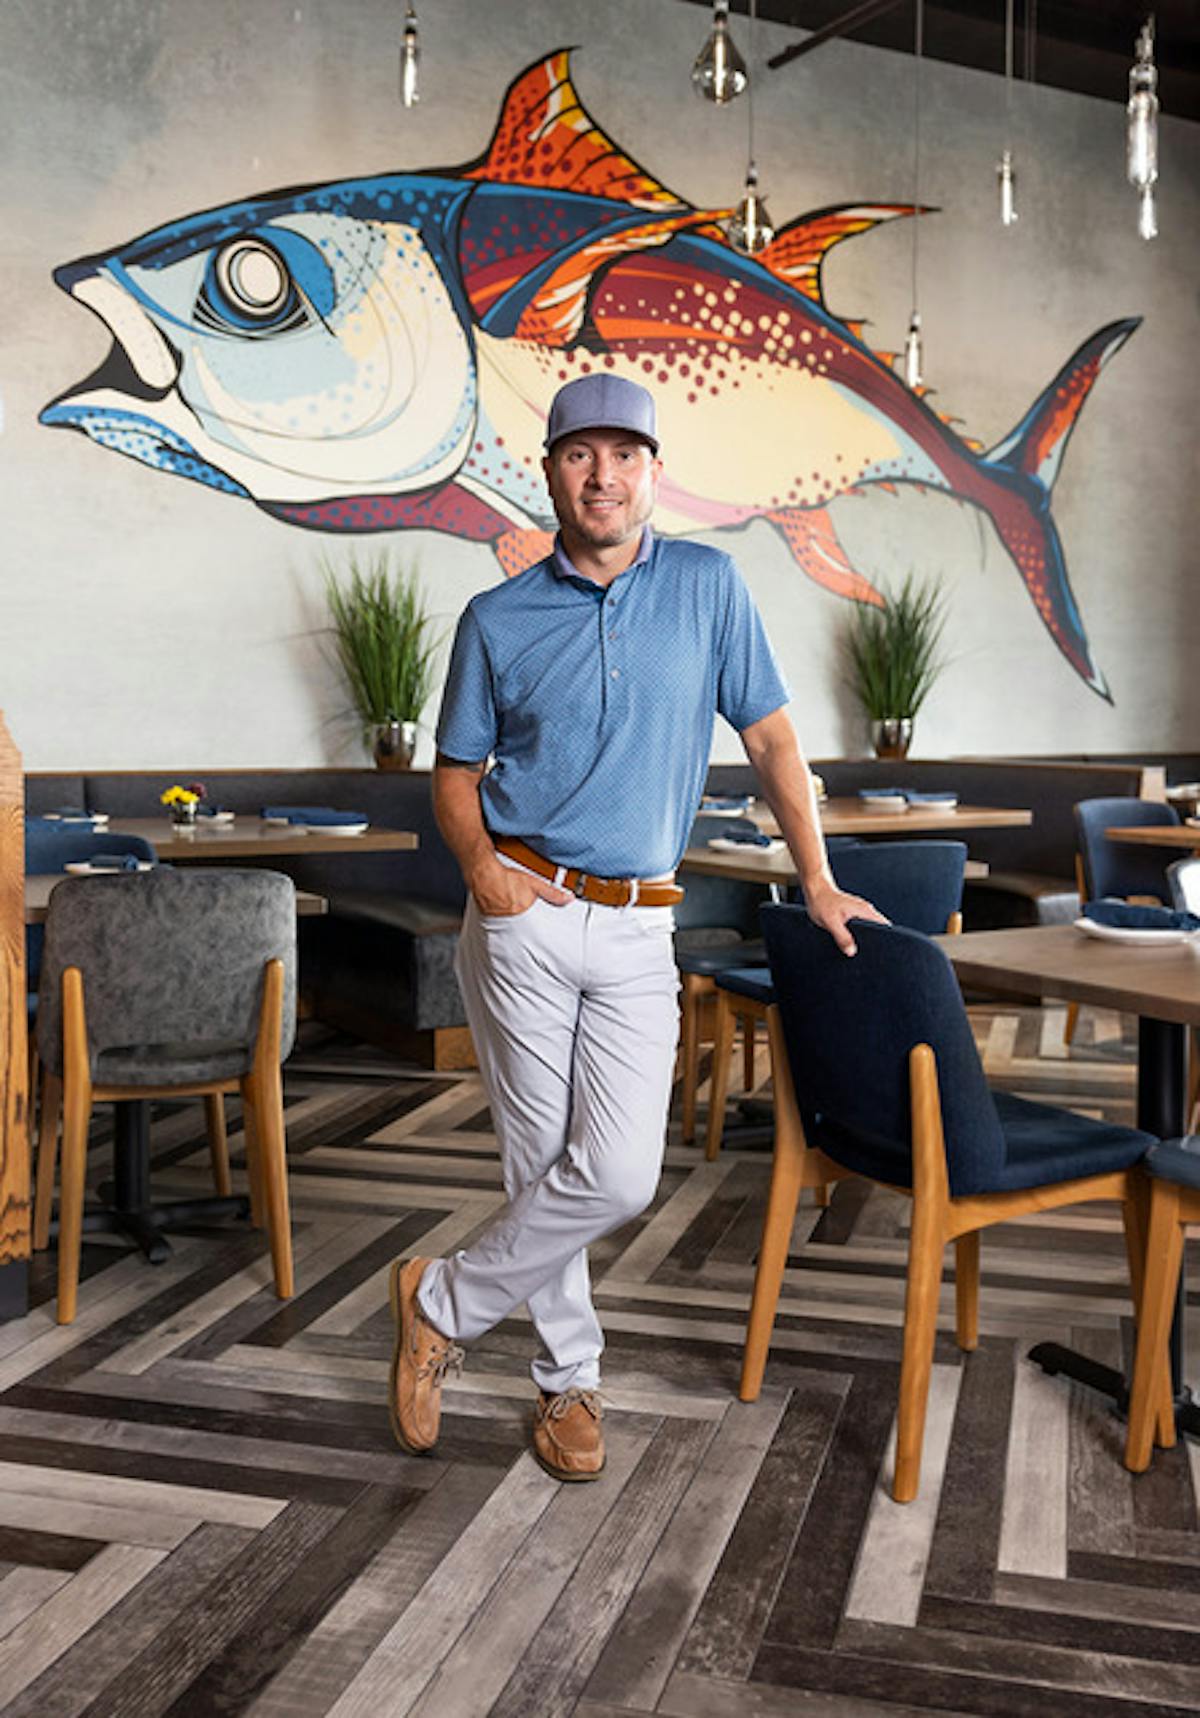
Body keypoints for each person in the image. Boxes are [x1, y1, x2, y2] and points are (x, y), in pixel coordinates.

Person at [388, 373, 883, 1481]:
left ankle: (438, 1299)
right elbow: (456, 774)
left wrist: (819, 879)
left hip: (638, 925)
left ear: (653, 470)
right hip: (522, 909)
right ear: (551, 468)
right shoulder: (497, 615)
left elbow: (771, 744)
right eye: (580, 454)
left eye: (624, 453)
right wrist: (483, 868)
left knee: (616, 1173)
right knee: (539, 1161)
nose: (602, 473)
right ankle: (570, 1384)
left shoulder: (710, 587)